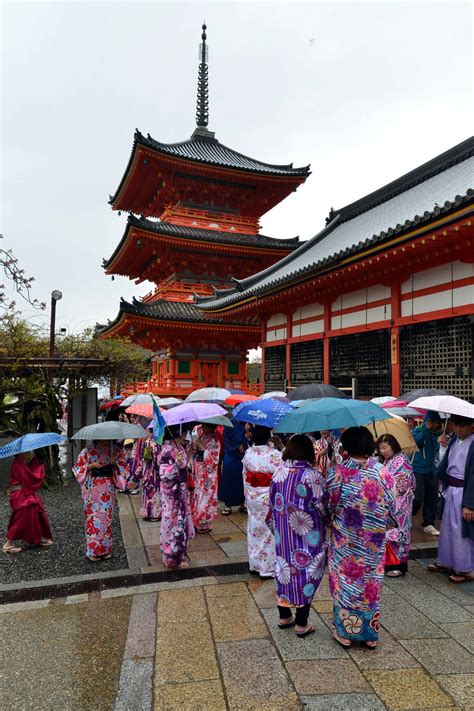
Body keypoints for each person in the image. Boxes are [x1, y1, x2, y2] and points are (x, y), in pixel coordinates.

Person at [326, 427, 397, 649]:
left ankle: (346, 633)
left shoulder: (338, 472)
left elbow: (328, 504)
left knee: (345, 582)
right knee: (371, 583)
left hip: (346, 539)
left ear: (346, 447)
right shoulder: (381, 471)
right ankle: (369, 634)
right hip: (373, 541)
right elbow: (393, 504)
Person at [268, 434, 326, 638]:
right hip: (307, 532)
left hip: (284, 532)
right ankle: (301, 622)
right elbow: (321, 506)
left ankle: (284, 615)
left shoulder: (279, 472)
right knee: (307, 570)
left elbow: (271, 502)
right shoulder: (313, 475)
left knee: (283, 568)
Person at [429, 415, 474, 583]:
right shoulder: (454, 440)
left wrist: (470, 504)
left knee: (462, 530)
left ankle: (466, 568)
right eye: (456, 425)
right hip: (452, 490)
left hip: (464, 491)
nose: (458, 429)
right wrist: (443, 447)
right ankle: (447, 561)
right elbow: (445, 464)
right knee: (448, 527)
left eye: (462, 426)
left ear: (471, 426)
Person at [73, 440, 128, 561]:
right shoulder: (87, 451)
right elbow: (77, 469)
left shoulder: (115, 451)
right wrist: (91, 466)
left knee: (106, 518)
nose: (104, 440)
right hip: (93, 487)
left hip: (108, 487)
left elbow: (124, 466)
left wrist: (115, 463)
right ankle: (93, 551)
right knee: (93, 517)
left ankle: (105, 549)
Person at [242, 424, 282, 578]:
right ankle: (267, 567)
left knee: (254, 527)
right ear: (269, 437)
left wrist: (247, 495)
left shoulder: (248, 453)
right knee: (268, 531)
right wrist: (280, 447)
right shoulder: (275, 455)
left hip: (252, 494)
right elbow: (282, 474)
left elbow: (244, 474)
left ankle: (255, 563)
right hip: (268, 495)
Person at [376, 434, 416, 577]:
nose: (383, 451)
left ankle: (399, 566)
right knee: (390, 535)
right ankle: (390, 563)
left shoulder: (401, 461)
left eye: (385, 447)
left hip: (400, 504)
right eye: (380, 448)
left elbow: (402, 484)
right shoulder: (388, 460)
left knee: (400, 535)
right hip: (390, 502)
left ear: (393, 446)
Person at [158, 425, 195, 568]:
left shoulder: (178, 447)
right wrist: (176, 465)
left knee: (181, 521)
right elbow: (164, 474)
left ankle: (179, 554)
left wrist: (189, 453)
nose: (186, 433)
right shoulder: (168, 450)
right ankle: (171, 557)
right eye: (185, 431)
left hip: (181, 490)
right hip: (172, 494)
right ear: (180, 432)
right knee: (173, 522)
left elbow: (183, 465)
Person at [3, 451, 53, 554]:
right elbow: (31, 478)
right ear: (21, 454)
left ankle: (38, 537)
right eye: (27, 453)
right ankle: (7, 544)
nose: (29, 454)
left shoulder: (20, 463)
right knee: (21, 519)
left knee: (33, 515)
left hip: (23, 494)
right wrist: (40, 468)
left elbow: (28, 471)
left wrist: (34, 461)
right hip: (21, 496)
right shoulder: (20, 465)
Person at [412, 411, 443, 535]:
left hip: (433, 471)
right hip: (418, 469)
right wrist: (426, 429)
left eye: (436, 422)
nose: (434, 425)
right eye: (431, 422)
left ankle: (428, 523)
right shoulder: (417, 431)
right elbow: (416, 442)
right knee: (417, 498)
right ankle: (407, 517)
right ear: (426, 421)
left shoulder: (440, 435)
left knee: (432, 499)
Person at [189, 423, 221, 533]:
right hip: (198, 472)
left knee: (205, 497)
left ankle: (204, 524)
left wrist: (202, 447)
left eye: (205, 426)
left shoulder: (215, 441)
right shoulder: (201, 435)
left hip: (207, 475)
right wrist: (195, 445)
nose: (202, 428)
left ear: (212, 427)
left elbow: (214, 459)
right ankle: (196, 521)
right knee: (197, 496)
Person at [218, 418, 249, 515]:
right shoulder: (229, 423)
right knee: (229, 479)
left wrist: (247, 433)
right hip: (231, 454)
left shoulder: (247, 423)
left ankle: (242, 503)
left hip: (243, 455)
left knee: (242, 479)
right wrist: (236, 447)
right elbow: (226, 439)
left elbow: (249, 438)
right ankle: (228, 505)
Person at [140, 437, 161, 522]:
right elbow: (158, 460)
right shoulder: (158, 443)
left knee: (148, 492)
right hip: (155, 472)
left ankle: (146, 512)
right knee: (155, 492)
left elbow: (144, 457)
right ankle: (154, 514)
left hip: (148, 471)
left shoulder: (147, 441)